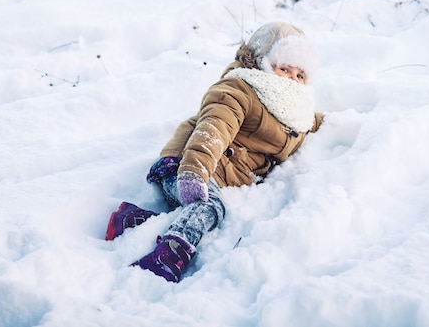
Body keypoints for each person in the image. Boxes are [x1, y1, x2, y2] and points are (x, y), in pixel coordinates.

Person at [104, 21, 323, 283]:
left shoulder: (295, 112)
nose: (292, 79)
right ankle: (170, 254)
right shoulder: (239, 90)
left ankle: (130, 221)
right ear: (262, 63)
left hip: (216, 174)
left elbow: (311, 123)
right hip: (188, 166)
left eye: (300, 75)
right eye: (284, 69)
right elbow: (213, 129)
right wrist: (194, 171)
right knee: (209, 206)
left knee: (197, 209)